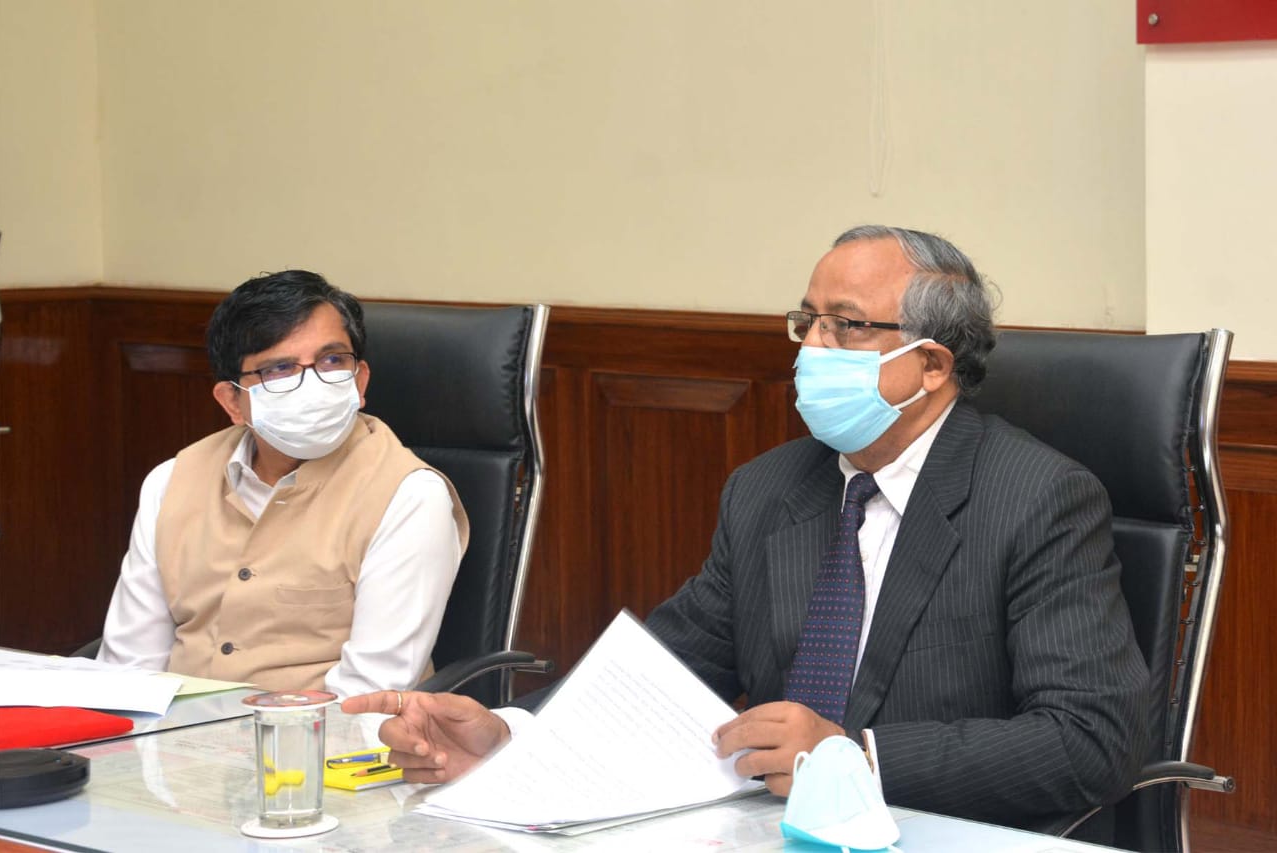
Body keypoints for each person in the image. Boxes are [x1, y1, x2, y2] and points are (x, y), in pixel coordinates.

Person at [344, 226, 1150, 833]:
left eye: (846, 326)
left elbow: (1091, 739)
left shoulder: (1038, 499)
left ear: (932, 366)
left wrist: (854, 756)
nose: (812, 348)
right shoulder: (769, 489)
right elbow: (664, 663)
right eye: (808, 320)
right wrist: (513, 733)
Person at [99, 270, 469, 698]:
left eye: (332, 361)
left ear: (360, 381)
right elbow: (128, 668)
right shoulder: (171, 482)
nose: (311, 383)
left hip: (322, 735)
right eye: (279, 368)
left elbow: (368, 695)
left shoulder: (409, 495)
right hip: (172, 731)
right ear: (233, 401)